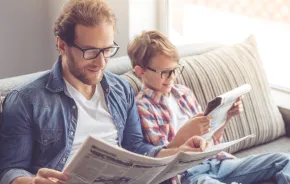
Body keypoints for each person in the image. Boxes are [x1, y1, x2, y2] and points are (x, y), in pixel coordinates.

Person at [0, 1, 208, 184]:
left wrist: (178, 152)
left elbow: (136, 149)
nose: (101, 63)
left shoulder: (121, 90)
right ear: (62, 45)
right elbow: (9, 171)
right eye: (90, 51)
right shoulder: (26, 100)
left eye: (107, 50)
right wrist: (32, 182)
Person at [128, 30, 290, 184]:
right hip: (188, 174)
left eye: (175, 70)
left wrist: (226, 118)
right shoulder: (143, 107)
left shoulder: (184, 93)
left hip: (218, 162)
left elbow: (209, 140)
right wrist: (184, 136)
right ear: (140, 71)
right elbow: (161, 160)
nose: (172, 78)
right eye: (165, 72)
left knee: (284, 160)